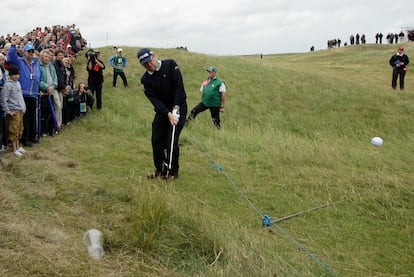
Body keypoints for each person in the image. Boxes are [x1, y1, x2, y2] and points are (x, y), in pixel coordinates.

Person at [137, 48, 187, 181]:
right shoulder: (145, 80)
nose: (149, 66)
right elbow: (155, 101)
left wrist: (175, 110)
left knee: (171, 139)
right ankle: (160, 169)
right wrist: (167, 113)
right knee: (156, 139)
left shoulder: (170, 65)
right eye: (145, 64)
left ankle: (171, 172)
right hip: (162, 111)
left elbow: (179, 88)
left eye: (149, 62)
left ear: (154, 56)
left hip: (179, 106)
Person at [7, 42, 41, 147]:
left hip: (34, 93)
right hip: (23, 93)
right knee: (25, 117)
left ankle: (33, 136)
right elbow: (11, 58)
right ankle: (26, 138)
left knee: (33, 116)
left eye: (32, 51)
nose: (31, 53)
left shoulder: (36, 63)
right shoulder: (20, 62)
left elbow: (39, 77)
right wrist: (13, 46)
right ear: (24, 52)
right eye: (28, 51)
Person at [0, 65, 26, 157]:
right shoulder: (7, 85)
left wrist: (23, 108)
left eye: (18, 74)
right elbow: (3, 99)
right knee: (13, 131)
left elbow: (20, 97)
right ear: (10, 74)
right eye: (14, 74)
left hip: (20, 110)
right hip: (13, 111)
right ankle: (14, 149)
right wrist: (8, 111)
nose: (17, 76)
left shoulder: (18, 83)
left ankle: (18, 147)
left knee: (19, 130)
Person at [38, 49, 58, 136]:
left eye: (48, 56)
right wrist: (47, 87)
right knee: (44, 113)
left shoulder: (51, 66)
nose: (47, 58)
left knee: (51, 112)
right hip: (43, 92)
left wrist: (53, 86)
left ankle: (51, 130)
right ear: (41, 57)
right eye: (45, 56)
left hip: (52, 90)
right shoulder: (38, 66)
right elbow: (39, 80)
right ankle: (43, 131)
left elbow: (55, 78)